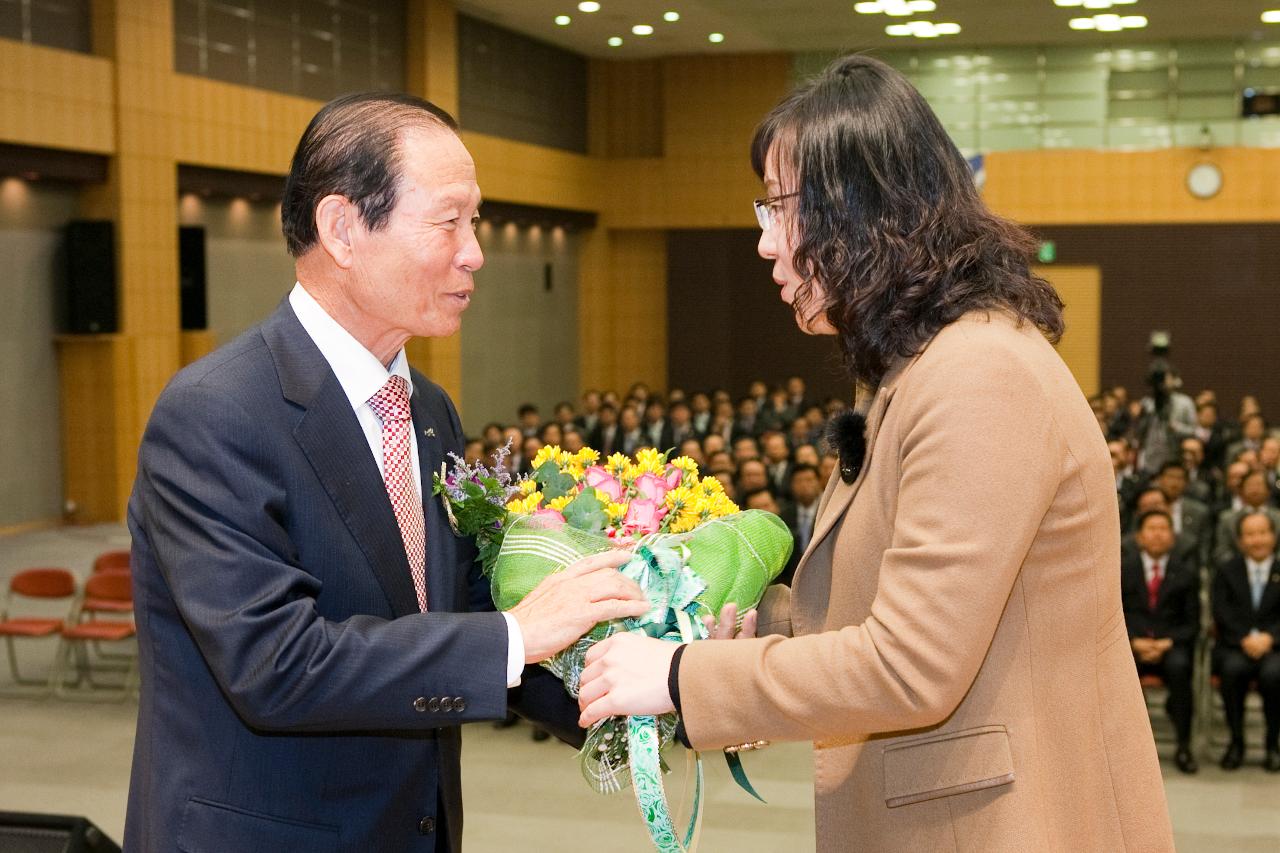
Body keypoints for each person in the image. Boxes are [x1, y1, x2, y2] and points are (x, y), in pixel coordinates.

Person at [575, 55, 1172, 851]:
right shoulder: (910, 368)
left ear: (862, 214)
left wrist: (681, 676)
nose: (765, 244)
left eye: (779, 210)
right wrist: (738, 614)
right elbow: (874, 605)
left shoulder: (977, 375)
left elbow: (912, 664)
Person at [124, 93, 647, 852]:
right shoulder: (215, 413)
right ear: (343, 228)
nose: (475, 251)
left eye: (475, 221)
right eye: (449, 220)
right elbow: (277, 662)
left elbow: (465, 603)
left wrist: (655, 685)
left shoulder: (426, 408)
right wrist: (516, 633)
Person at [1121, 510, 1200, 773]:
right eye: (1151, 529)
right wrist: (1133, 641)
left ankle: (1183, 745)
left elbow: (1192, 623)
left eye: (1163, 529)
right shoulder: (1123, 569)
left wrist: (1167, 642)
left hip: (1170, 645)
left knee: (1181, 668)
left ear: (1172, 537)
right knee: (1120, 672)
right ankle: (1127, 749)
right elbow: (1113, 613)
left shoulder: (1185, 572)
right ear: (1139, 537)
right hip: (1131, 645)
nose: (1157, 534)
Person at [1212, 511, 1280, 772]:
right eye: (1250, 534)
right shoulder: (1228, 570)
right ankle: (1236, 742)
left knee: (1275, 675)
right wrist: (1243, 637)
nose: (1257, 540)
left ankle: (1272, 744)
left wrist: (1269, 637)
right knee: (1231, 671)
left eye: (1262, 533)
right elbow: (1221, 610)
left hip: (1274, 647)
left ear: (1273, 536)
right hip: (1235, 644)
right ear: (1240, 541)